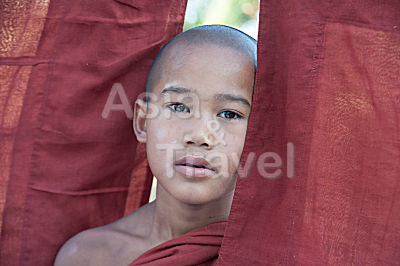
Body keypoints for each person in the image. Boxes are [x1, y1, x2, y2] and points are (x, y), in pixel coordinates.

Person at [54, 24, 257, 266]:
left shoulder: (273, 253)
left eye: (230, 114)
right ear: (142, 122)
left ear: (259, 134)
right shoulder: (89, 256)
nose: (200, 136)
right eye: (178, 107)